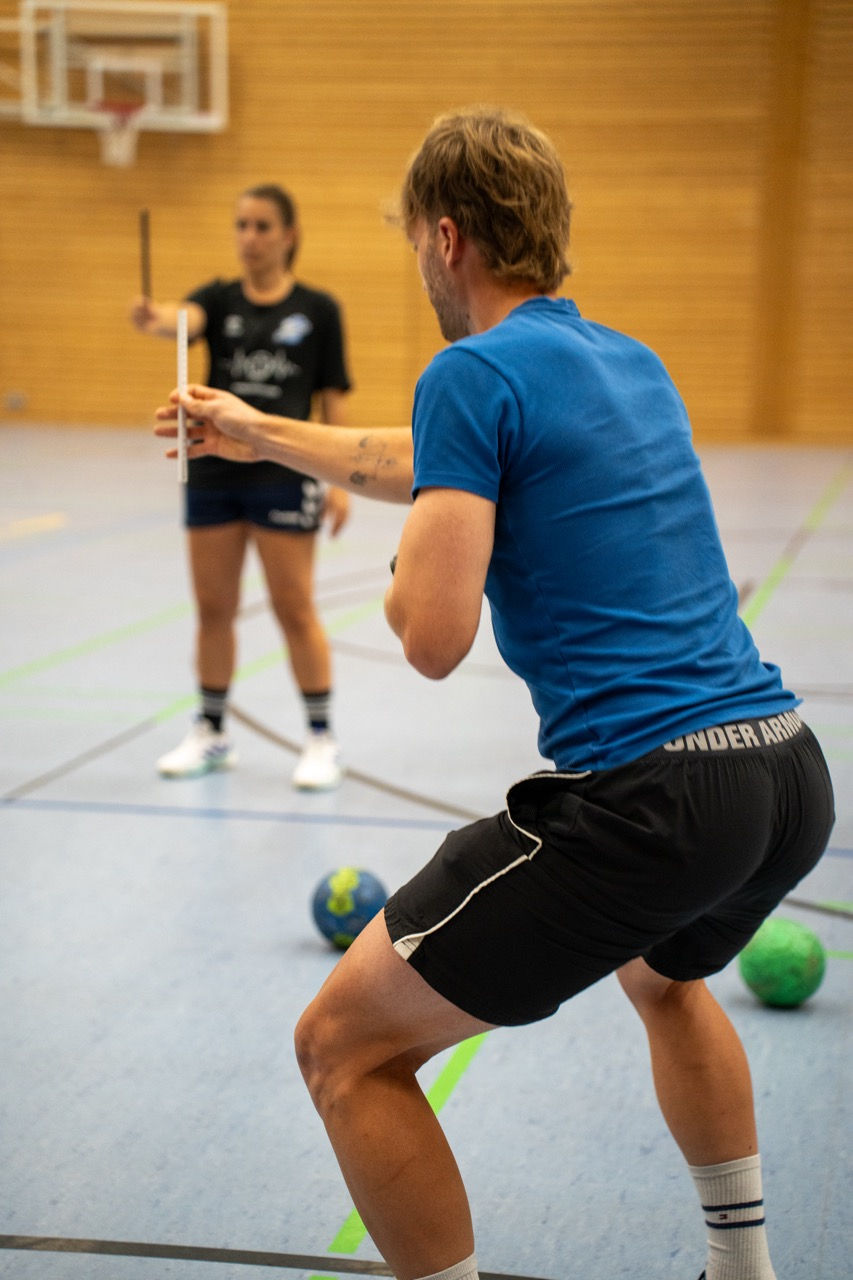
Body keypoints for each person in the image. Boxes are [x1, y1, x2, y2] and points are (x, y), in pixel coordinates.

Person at [155, 110, 835, 1280]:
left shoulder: (468, 370)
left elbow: (430, 635)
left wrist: (401, 573)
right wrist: (256, 429)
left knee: (343, 1048)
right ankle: (743, 1269)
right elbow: (435, 450)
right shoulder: (625, 359)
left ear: (448, 236)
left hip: (649, 798)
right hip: (780, 771)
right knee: (663, 977)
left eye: (415, 239)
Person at [133, 183, 352, 790]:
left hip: (284, 470)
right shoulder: (217, 298)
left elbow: (333, 395)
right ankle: (212, 731)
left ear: (289, 235)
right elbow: (186, 319)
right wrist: (157, 319)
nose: (249, 238)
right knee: (213, 608)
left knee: (293, 607)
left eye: (261, 226)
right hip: (211, 466)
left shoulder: (319, 310)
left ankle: (319, 737)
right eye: (241, 226)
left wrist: (339, 480)